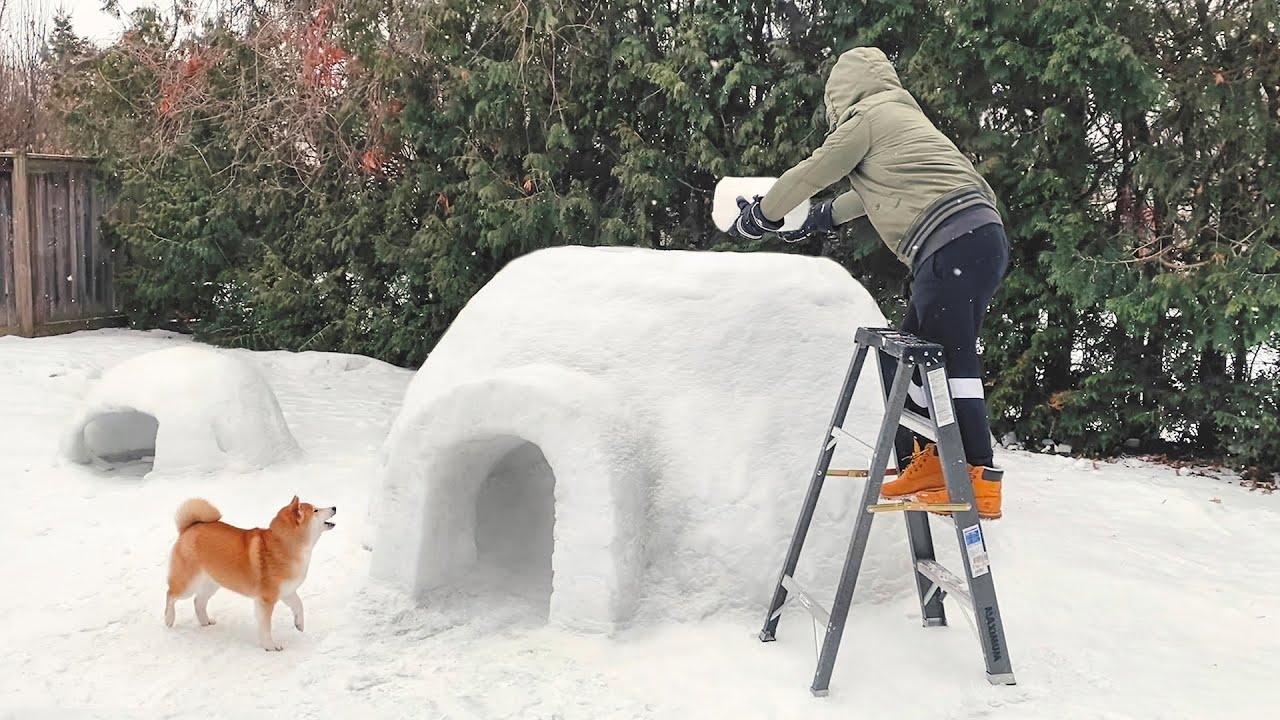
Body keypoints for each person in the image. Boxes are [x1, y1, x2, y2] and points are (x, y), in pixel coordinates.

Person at [728, 46, 1010, 519]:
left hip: (951, 242)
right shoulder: (905, 121)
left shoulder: (868, 117)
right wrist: (818, 218)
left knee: (949, 358)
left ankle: (979, 474)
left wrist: (764, 215)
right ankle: (929, 462)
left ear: (840, 95)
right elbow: (865, 195)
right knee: (906, 356)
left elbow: (814, 171)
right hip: (975, 237)